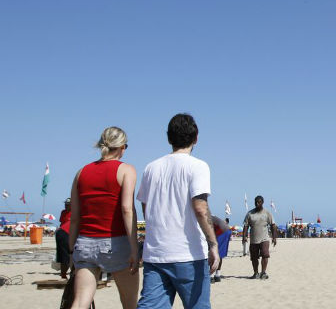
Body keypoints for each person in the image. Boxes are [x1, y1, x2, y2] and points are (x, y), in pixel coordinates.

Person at [136, 113, 219, 309]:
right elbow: (200, 207)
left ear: (169, 138)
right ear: (196, 138)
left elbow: (146, 207)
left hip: (156, 254)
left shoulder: (151, 168)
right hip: (188, 255)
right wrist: (213, 244)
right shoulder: (198, 166)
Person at [68, 126, 139, 309]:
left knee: (80, 301)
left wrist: (71, 251)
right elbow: (127, 209)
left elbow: (74, 217)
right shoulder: (126, 170)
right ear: (122, 147)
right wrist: (134, 248)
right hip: (116, 242)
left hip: (84, 243)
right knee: (129, 303)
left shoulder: (81, 173)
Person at [242, 195, 277, 280]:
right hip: (253, 239)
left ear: (262, 203)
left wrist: (274, 237)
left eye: (259, 202)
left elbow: (273, 225)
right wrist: (244, 237)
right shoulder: (250, 214)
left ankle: (263, 272)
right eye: (256, 202)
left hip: (264, 238)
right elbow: (246, 226)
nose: (257, 203)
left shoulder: (267, 213)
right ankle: (256, 273)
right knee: (254, 257)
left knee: (265, 255)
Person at [211, 216, 231, 283]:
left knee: (213, 253)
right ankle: (217, 275)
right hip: (226, 231)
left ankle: (211, 276)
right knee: (220, 253)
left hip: (220, 231)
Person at [55, 198, 72, 279]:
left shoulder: (75, 212)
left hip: (68, 232)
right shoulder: (63, 212)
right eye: (65, 204)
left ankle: (65, 274)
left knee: (68, 254)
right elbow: (62, 222)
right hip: (63, 232)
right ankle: (64, 274)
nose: (66, 206)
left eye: (68, 205)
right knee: (65, 255)